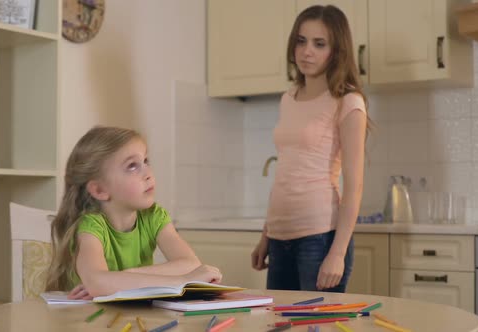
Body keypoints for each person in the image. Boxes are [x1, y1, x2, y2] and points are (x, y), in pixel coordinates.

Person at [251, 5, 371, 292]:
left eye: (320, 44)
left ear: (337, 50)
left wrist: (338, 253)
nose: (307, 51)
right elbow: (286, 170)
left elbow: (354, 186)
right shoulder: (288, 99)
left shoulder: (348, 101)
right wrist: (266, 235)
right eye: (301, 41)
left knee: (317, 325)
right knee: (279, 323)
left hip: (320, 238)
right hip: (279, 236)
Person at [45, 126, 222, 299]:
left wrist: (127, 275)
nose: (148, 174)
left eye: (146, 161)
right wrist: (183, 281)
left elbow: (190, 264)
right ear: (99, 190)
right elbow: (97, 282)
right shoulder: (91, 226)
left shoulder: (154, 216)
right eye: (132, 166)